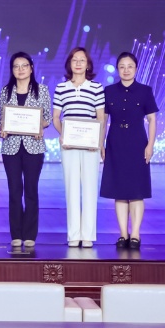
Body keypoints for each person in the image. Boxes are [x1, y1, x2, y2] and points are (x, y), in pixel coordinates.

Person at [101, 51, 160, 249]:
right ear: (118, 69)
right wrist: (101, 144)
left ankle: (135, 234)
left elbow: (152, 120)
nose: (126, 70)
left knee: (136, 191)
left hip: (138, 143)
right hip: (115, 142)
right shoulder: (109, 91)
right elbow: (103, 121)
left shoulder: (145, 91)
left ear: (136, 69)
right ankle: (123, 234)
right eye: (122, 67)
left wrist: (150, 145)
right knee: (119, 191)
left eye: (130, 66)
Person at [0, 51, 52, 251]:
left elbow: (47, 118)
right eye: (16, 66)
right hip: (10, 147)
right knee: (14, 190)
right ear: (12, 70)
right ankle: (16, 234)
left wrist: (39, 127)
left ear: (31, 68)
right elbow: (2, 119)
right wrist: (2, 129)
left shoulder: (42, 90)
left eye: (24, 66)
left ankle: (29, 234)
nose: (20, 69)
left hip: (33, 147)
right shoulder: (6, 91)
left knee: (31, 190)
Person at [53, 47, 106, 248]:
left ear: (88, 64)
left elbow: (100, 118)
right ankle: (74, 235)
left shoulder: (97, 88)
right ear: (69, 63)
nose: (78, 63)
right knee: (71, 188)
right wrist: (63, 135)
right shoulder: (61, 87)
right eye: (74, 59)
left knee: (90, 188)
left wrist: (98, 142)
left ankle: (88, 235)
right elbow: (56, 117)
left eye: (82, 60)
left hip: (91, 146)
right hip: (69, 146)